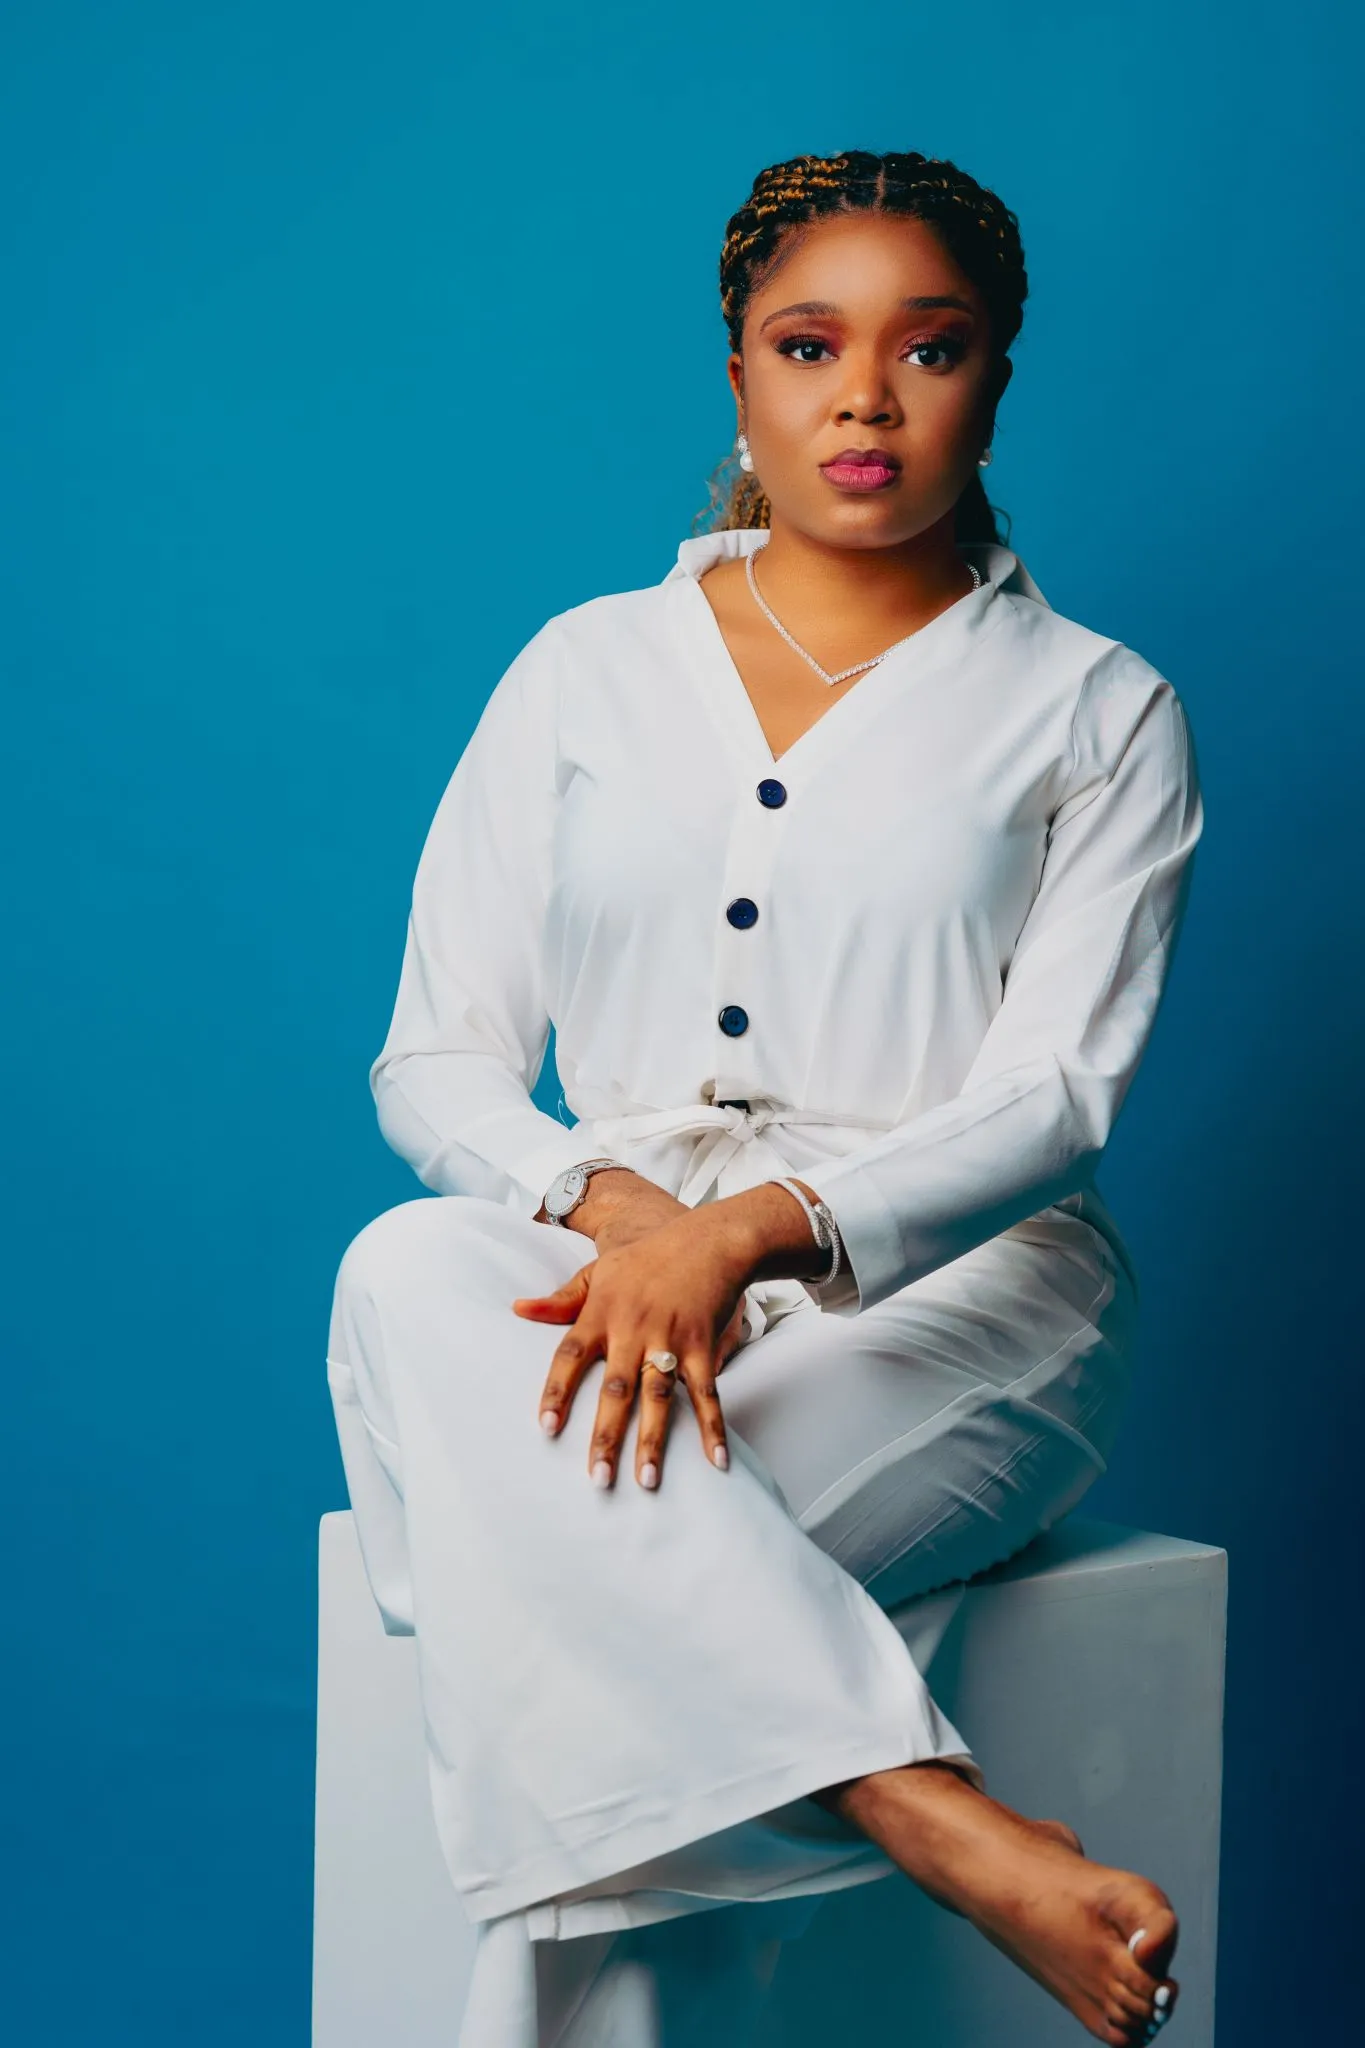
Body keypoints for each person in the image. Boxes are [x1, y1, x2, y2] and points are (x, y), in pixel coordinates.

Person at [325, 148, 1203, 2048]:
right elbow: (434, 1057)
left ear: (995, 378)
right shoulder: (584, 669)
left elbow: (1059, 1097)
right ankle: (940, 1822)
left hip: (964, 1300)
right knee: (404, 1267)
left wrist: (753, 1235)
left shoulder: (1098, 708)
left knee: (593, 1584)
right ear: (739, 375)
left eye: (928, 348)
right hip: (611, 1267)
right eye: (811, 346)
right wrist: (625, 1215)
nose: (865, 398)